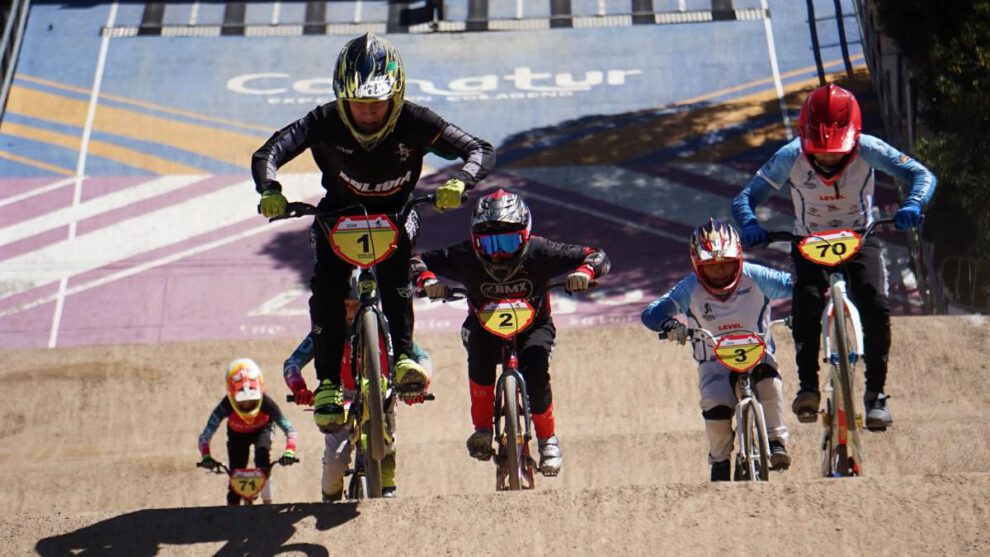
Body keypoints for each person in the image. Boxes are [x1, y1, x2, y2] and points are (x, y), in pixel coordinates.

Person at [252, 32, 495, 434]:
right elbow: (268, 153)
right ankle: (329, 383)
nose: (367, 112)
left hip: (397, 214)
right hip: (337, 217)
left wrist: (461, 182)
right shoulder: (323, 119)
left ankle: (403, 357)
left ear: (396, 96)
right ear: (341, 98)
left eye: (376, 103)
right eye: (357, 103)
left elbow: (479, 149)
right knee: (327, 289)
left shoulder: (418, 121)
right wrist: (270, 189)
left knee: (397, 273)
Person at [732, 83, 937, 430]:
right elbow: (745, 198)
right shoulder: (789, 156)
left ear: (853, 140)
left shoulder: (869, 148)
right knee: (806, 300)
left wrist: (914, 203)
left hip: (860, 237)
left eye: (837, 152)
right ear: (805, 139)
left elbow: (921, 175)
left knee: (875, 304)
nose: (828, 158)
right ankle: (808, 387)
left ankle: (876, 394)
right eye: (819, 151)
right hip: (808, 241)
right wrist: (750, 223)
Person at [410, 189, 610, 476]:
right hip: (483, 326)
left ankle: (547, 440)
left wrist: (584, 273)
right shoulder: (464, 254)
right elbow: (415, 260)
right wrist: (427, 280)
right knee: (478, 361)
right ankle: (481, 429)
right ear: (474, 240)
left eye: (507, 241)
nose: (499, 253)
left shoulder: (542, 251)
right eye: (489, 244)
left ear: (526, 235)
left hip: (534, 326)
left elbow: (597, 255)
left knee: (537, 369)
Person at [641, 219, 793, 481]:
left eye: (727, 264)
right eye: (712, 267)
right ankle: (720, 462)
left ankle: (776, 441)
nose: (721, 272)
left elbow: (796, 285)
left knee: (770, 382)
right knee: (716, 406)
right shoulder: (689, 288)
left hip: (757, 353)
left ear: (740, 259)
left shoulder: (756, 276)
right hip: (714, 361)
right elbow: (651, 313)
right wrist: (668, 324)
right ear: (697, 266)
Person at [284, 272, 432, 500]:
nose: (351, 314)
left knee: (387, 445)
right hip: (341, 399)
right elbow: (292, 364)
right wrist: (299, 389)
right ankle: (329, 501)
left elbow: (422, 358)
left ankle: (387, 491)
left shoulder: (385, 330)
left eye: (356, 306)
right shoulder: (326, 333)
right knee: (335, 461)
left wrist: (420, 384)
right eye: (345, 306)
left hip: (381, 396)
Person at [198, 358, 299, 505]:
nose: (247, 405)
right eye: (242, 401)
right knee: (235, 481)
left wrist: (289, 452)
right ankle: (232, 515)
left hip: (262, 430)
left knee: (263, 465)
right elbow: (205, 436)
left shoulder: (266, 403)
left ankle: (268, 506)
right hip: (237, 436)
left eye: (251, 400)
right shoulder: (226, 405)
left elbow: (290, 429)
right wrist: (206, 456)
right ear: (232, 395)